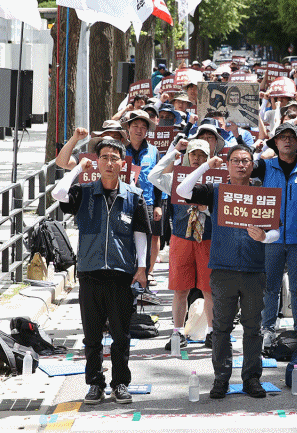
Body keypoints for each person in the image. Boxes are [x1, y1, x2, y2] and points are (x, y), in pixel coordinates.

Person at [177, 144, 280, 400]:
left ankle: (252, 379)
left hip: (254, 270)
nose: (241, 165)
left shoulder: (263, 193)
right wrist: (205, 166)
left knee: (253, 327)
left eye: (246, 161)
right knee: (221, 328)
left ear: (252, 165)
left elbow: (278, 229)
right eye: (235, 160)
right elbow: (182, 190)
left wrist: (265, 236)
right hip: (223, 270)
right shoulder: (215, 191)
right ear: (227, 164)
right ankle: (221, 378)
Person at [52, 138, 150, 405]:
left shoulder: (133, 196)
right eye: (104, 157)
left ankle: (120, 383)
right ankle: (95, 383)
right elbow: (58, 194)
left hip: (121, 273)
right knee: (92, 336)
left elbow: (140, 233)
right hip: (90, 272)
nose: (109, 162)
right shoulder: (84, 192)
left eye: (114, 158)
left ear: (122, 163)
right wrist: (76, 170)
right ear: (97, 162)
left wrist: (142, 268)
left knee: (121, 335)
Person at [253, 124, 297, 348]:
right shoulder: (264, 166)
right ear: (276, 143)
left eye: (292, 137)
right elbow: (244, 173)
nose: (287, 141)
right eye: (282, 137)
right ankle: (267, 328)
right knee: (270, 286)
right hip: (271, 238)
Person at [148, 139, 215, 350]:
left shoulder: (215, 179)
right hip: (181, 237)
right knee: (180, 289)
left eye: (202, 155)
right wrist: (172, 152)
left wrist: (206, 208)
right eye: (193, 154)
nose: (197, 159)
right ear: (187, 156)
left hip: (207, 238)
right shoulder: (176, 178)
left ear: (207, 158)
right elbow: (152, 176)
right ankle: (177, 333)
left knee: (209, 289)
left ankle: (212, 333)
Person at [124, 110, 166, 287]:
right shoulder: (120, 149)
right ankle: (127, 275)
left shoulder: (154, 151)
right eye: (135, 126)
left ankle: (146, 275)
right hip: (124, 202)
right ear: (128, 128)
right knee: (126, 240)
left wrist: (158, 206)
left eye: (143, 127)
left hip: (147, 203)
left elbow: (159, 181)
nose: (139, 130)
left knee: (148, 241)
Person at [56, 122, 129, 171]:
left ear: (121, 141)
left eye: (115, 137)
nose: (110, 139)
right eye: (106, 135)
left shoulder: (125, 161)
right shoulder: (86, 158)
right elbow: (62, 163)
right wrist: (74, 139)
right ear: (100, 137)